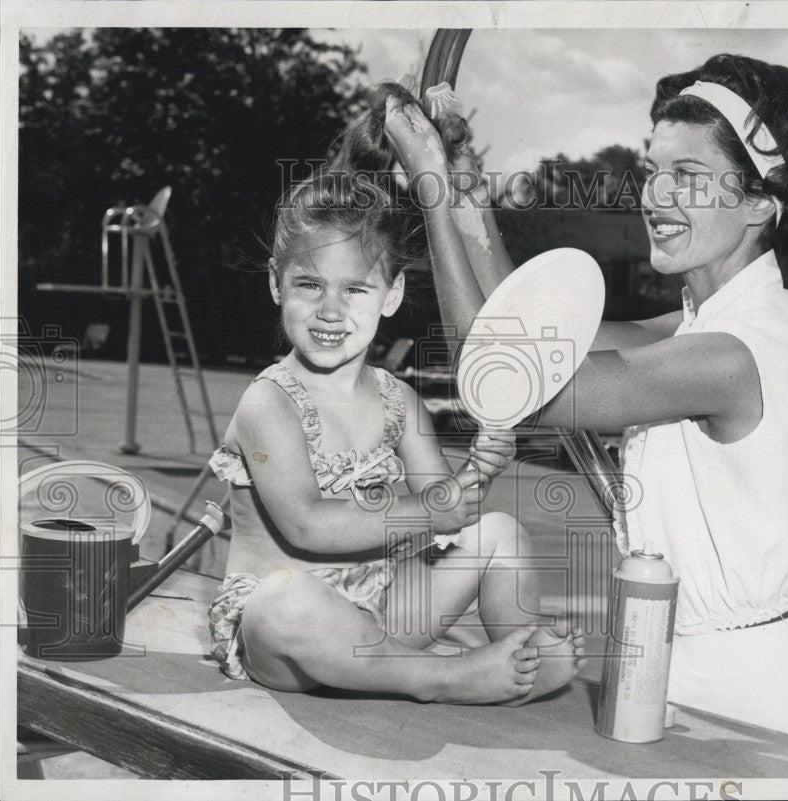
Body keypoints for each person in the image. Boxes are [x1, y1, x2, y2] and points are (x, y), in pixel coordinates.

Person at [386, 55, 788, 752]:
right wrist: (465, 187)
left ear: (763, 201)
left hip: (766, 712)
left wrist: (430, 191)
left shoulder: (734, 352)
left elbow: (502, 374)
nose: (656, 195)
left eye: (689, 177)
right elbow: (529, 335)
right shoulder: (714, 323)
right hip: (705, 679)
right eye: (654, 171)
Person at [207, 83, 586, 705]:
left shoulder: (397, 401)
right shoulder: (268, 402)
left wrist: (473, 478)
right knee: (284, 601)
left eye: (354, 290)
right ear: (277, 287)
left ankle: (518, 655)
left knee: (498, 533)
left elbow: (443, 517)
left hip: (382, 615)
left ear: (391, 295)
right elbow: (307, 527)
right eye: (309, 285)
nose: (330, 310)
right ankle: (444, 678)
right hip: (294, 641)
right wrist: (430, 510)